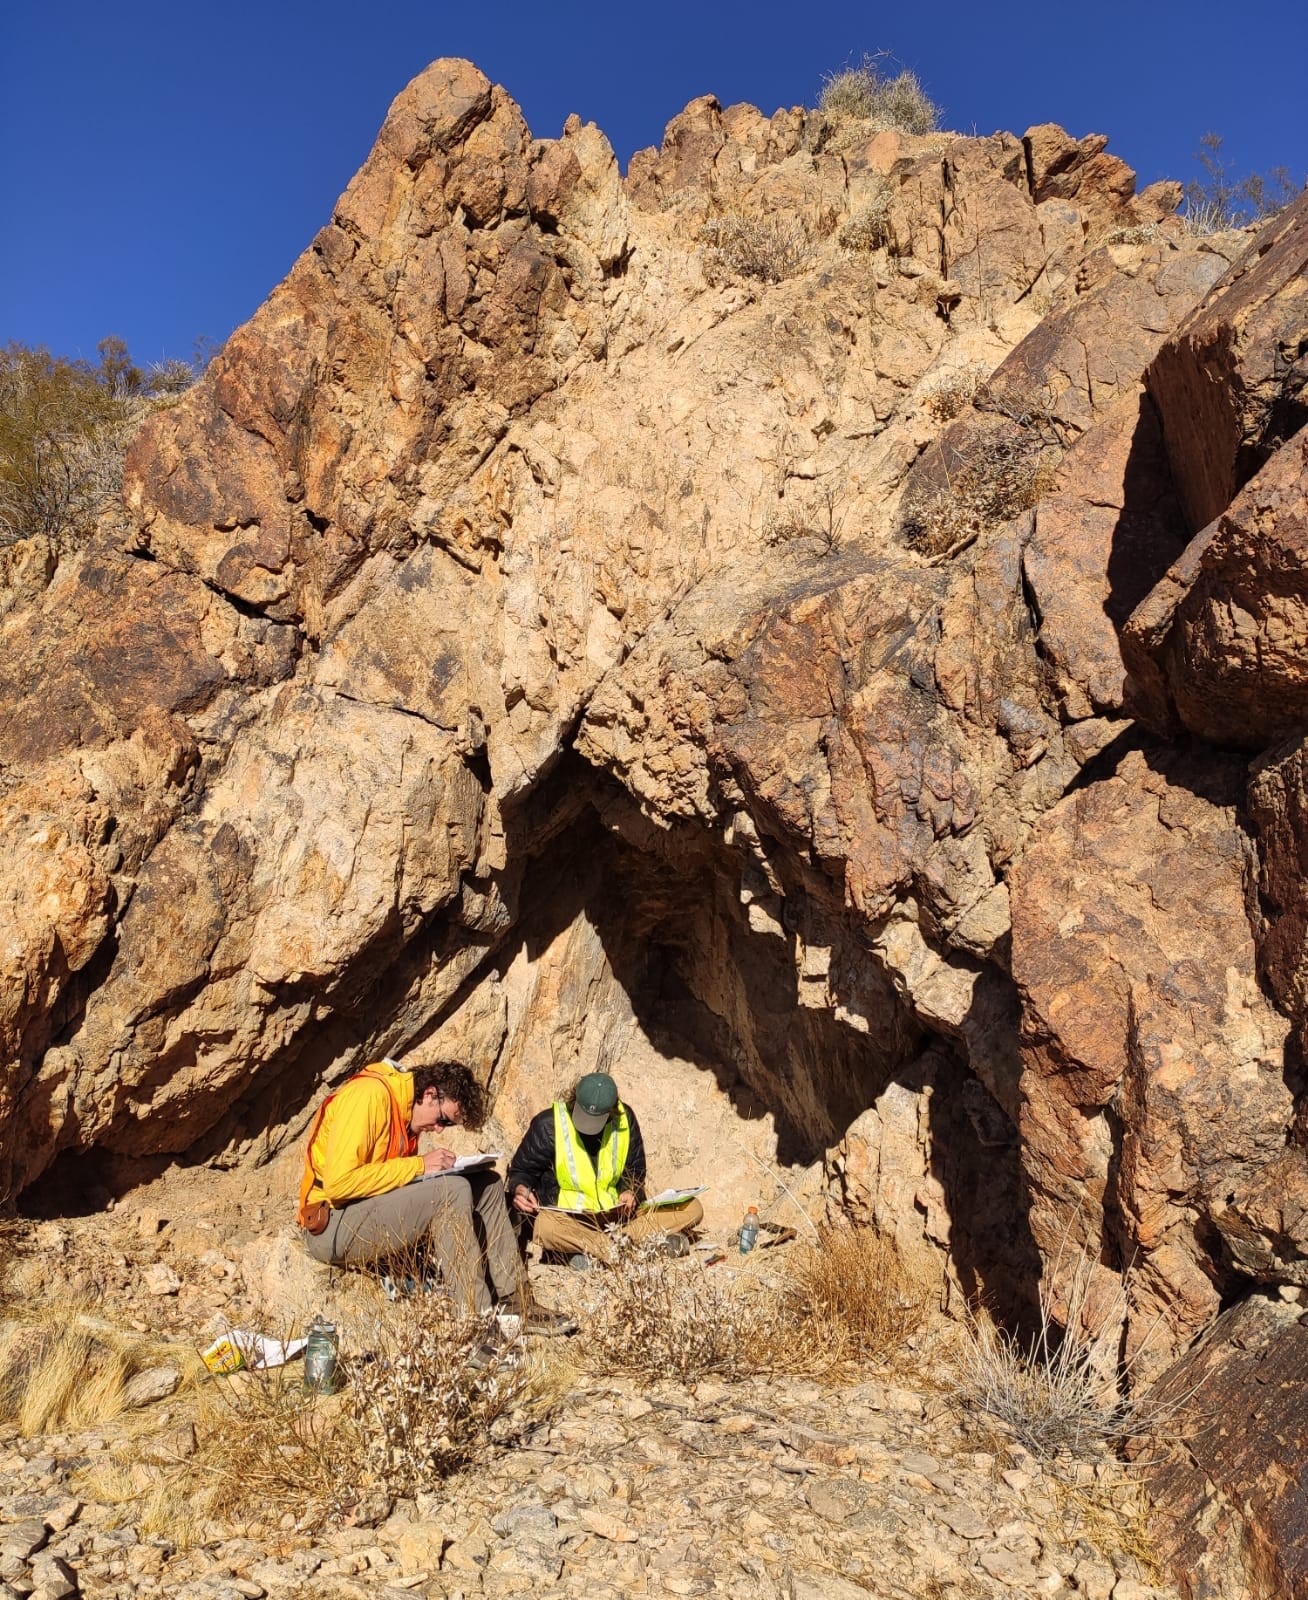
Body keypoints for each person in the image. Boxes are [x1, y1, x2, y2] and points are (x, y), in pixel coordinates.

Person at [297, 1055, 570, 1330]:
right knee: (450, 1192)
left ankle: (515, 1301)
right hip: (331, 1225)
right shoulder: (367, 1097)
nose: (439, 1129)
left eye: (447, 1125)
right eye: (443, 1119)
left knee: (487, 1184)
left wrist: (427, 1170)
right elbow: (338, 1184)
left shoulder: (404, 1114)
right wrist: (419, 1166)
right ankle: (474, 1323)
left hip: (364, 1210)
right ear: (429, 1094)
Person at [507, 1072, 703, 1263]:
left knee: (692, 1208)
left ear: (611, 1113)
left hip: (619, 1219)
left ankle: (602, 1251)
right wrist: (521, 1189)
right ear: (573, 1102)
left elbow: (635, 1170)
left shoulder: (625, 1119)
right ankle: (628, 1249)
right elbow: (522, 1171)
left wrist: (629, 1190)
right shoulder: (548, 1125)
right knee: (545, 1226)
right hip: (572, 1220)